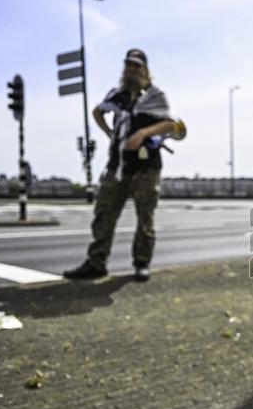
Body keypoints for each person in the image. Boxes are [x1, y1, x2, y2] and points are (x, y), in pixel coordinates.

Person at [63, 49, 177, 282]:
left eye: (136, 66)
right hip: (117, 166)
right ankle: (96, 262)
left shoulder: (156, 96)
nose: (131, 70)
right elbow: (98, 111)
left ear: (145, 70)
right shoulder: (117, 95)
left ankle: (141, 263)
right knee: (103, 213)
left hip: (146, 167)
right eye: (128, 66)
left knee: (145, 217)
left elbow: (170, 125)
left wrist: (143, 132)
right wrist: (110, 133)